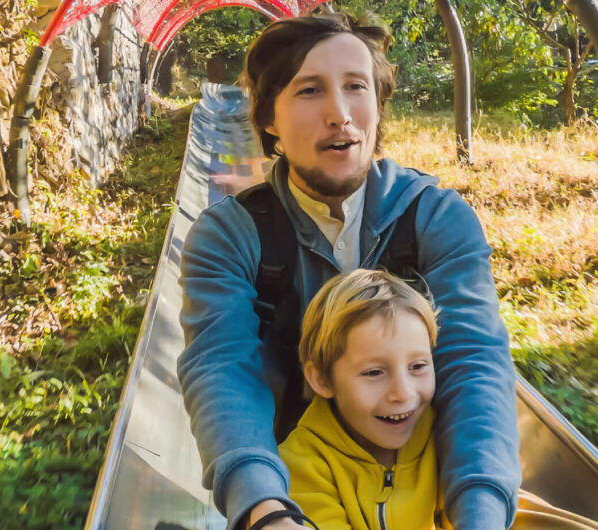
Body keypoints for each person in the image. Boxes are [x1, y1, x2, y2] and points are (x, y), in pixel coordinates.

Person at [178, 13, 519, 530]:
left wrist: (480, 510)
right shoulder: (230, 237)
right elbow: (222, 368)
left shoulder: (435, 219)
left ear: (378, 106)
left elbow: (473, 360)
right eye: (310, 90)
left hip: (422, 485)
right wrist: (264, 510)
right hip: (297, 487)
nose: (340, 114)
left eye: (356, 87)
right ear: (269, 117)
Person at [280, 269, 448, 529]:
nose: (403, 393)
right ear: (322, 379)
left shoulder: (444, 435)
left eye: (417, 367)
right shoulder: (302, 466)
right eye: (374, 372)